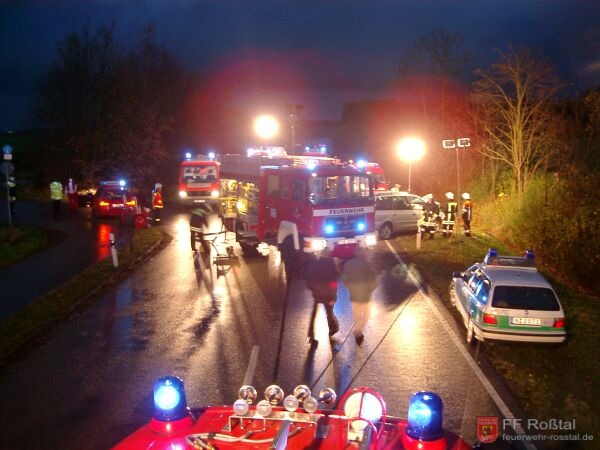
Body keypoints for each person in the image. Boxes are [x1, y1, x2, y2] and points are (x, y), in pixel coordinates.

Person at [340, 245, 377, 345]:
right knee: (366, 315)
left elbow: (344, 278)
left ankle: (358, 331)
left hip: (353, 295)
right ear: (363, 253)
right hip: (365, 296)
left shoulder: (348, 264)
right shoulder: (366, 264)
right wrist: (370, 289)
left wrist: (349, 286)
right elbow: (373, 280)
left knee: (356, 314)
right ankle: (358, 331)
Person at [303, 254, 341, 345]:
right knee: (329, 312)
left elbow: (308, 279)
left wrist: (314, 289)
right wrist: (333, 295)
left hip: (317, 293)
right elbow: (334, 280)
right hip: (328, 294)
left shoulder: (312, 264)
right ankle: (333, 328)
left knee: (314, 314)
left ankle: (311, 335)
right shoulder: (330, 264)